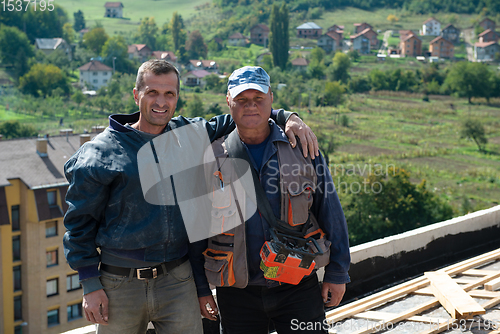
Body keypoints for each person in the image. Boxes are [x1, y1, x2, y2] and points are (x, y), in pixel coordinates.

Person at [63, 59, 319, 334]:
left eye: (169, 94)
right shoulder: (101, 152)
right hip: (119, 283)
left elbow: (242, 112)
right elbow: (79, 223)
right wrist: (90, 282)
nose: (161, 102)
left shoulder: (187, 135)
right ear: (136, 95)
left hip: (177, 279)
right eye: (152, 93)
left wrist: (287, 116)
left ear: (177, 98)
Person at [190, 66, 350, 334]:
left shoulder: (302, 147)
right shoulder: (210, 156)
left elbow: (330, 210)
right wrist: (201, 288)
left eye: (258, 99)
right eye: (241, 100)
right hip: (236, 292)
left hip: (298, 285)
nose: (250, 106)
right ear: (228, 101)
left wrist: (337, 273)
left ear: (271, 98)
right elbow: (196, 229)